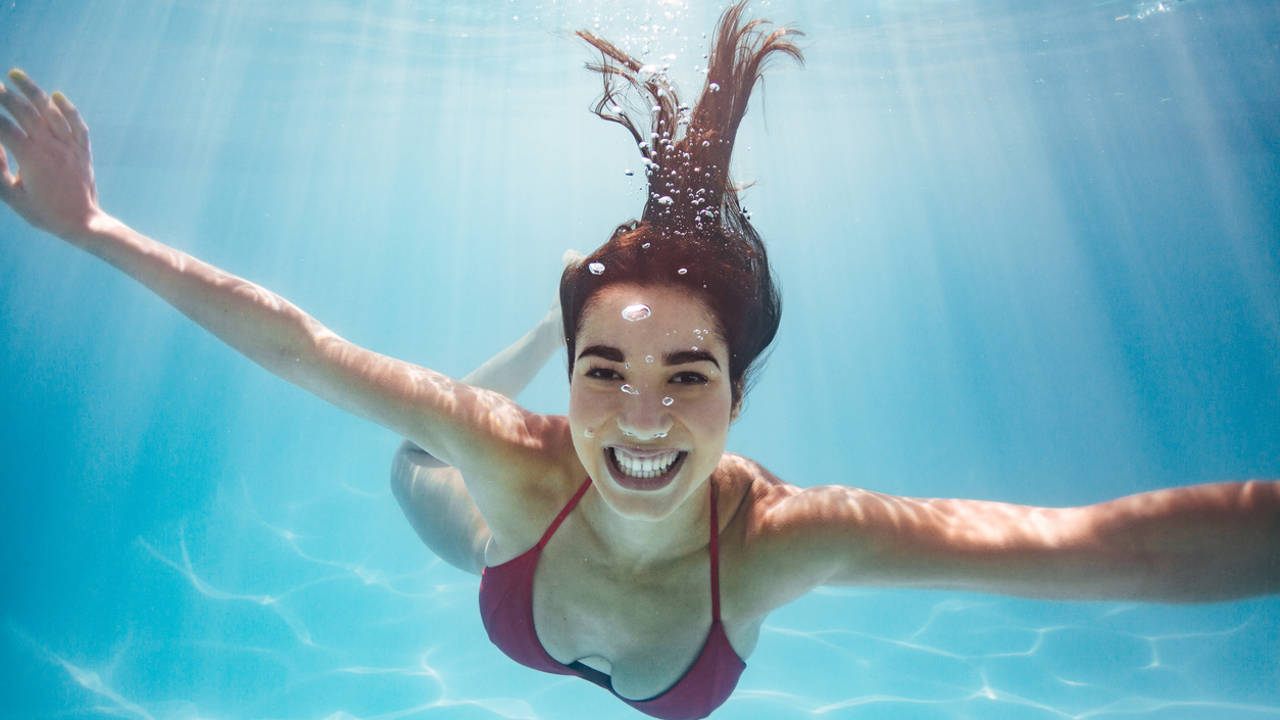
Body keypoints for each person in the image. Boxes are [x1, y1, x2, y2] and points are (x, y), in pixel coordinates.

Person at [1, 3, 1276, 719]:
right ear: (570, 384)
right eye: (603, 366)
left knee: (435, 439)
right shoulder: (519, 464)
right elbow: (296, 342)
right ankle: (519, 343)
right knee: (410, 465)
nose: (643, 418)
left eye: (687, 376)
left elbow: (1096, 547)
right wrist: (96, 228)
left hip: (612, 584)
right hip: (511, 551)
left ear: (737, 392)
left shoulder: (782, 540)